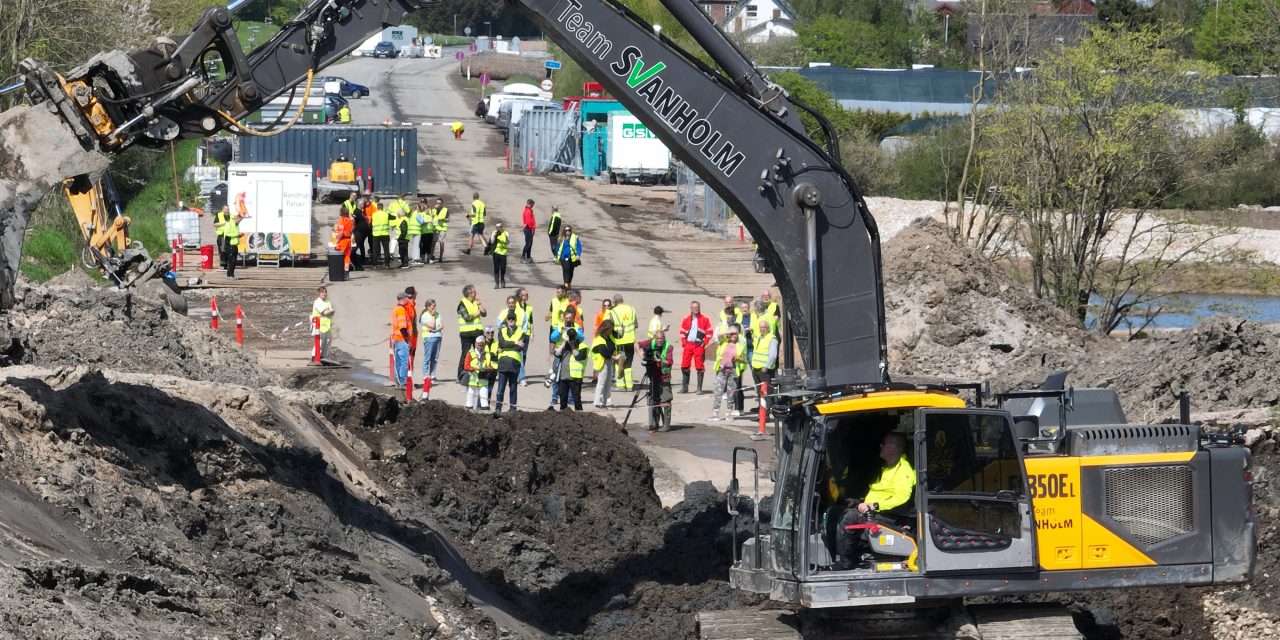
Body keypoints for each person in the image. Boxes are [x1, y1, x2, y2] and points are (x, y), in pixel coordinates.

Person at [832, 433, 914, 570]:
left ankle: (845, 564)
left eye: (885, 442)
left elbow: (902, 498)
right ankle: (840, 557)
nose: (881, 445)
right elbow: (881, 494)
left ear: (895, 447)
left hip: (889, 516)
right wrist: (858, 501)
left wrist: (873, 506)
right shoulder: (886, 468)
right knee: (834, 512)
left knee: (849, 517)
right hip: (876, 512)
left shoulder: (903, 469)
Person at [638, 330, 674, 433]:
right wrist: (639, 353)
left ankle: (666, 425)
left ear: (664, 339)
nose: (659, 341)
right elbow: (637, 344)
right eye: (657, 339)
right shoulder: (650, 342)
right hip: (653, 375)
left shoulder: (668, 347)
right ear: (654, 338)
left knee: (666, 399)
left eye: (661, 339)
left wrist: (660, 360)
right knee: (654, 399)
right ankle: (654, 423)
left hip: (664, 376)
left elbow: (670, 362)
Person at [547, 307, 584, 407]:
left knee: (571, 377)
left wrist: (574, 334)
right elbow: (552, 337)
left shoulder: (577, 327)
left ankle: (571, 398)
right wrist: (560, 332)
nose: (568, 319)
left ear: (573, 318)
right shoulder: (559, 326)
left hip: (572, 352)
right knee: (555, 376)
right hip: (560, 352)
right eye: (566, 318)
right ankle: (554, 397)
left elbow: (582, 338)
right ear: (563, 318)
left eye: (570, 318)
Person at [709, 325, 746, 420]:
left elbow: (743, 359)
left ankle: (729, 414)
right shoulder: (723, 342)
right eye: (733, 334)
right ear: (729, 335)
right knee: (718, 391)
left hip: (733, 371)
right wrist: (729, 331)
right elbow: (718, 335)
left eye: (736, 334)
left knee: (731, 393)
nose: (735, 336)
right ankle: (715, 413)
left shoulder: (739, 346)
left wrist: (738, 359)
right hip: (722, 370)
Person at [678, 301, 713, 394]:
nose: (696, 309)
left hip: (699, 346)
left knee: (699, 366)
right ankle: (685, 388)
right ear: (691, 308)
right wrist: (684, 342)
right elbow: (682, 331)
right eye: (694, 307)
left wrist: (704, 342)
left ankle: (699, 389)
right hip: (688, 345)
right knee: (684, 365)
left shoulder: (705, 319)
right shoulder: (686, 318)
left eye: (697, 307)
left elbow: (710, 332)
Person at [494, 312, 526, 412]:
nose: (511, 320)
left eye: (513, 318)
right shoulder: (502, 330)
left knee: (513, 388)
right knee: (501, 388)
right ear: (507, 320)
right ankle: (498, 409)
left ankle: (513, 409)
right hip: (503, 362)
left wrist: (507, 345)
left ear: (515, 320)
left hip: (514, 363)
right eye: (509, 318)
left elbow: (519, 348)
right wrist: (515, 342)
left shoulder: (521, 332)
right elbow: (502, 344)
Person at [456, 284, 487, 380]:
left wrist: (479, 304)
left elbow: (484, 313)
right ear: (469, 294)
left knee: (481, 352)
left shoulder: (475, 302)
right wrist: (476, 314)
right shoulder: (462, 304)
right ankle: (461, 374)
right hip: (467, 334)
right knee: (466, 353)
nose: (476, 293)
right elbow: (467, 318)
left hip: (477, 332)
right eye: (474, 292)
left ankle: (481, 372)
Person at [608, 294, 638, 392]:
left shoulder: (613, 312)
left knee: (619, 363)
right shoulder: (632, 309)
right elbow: (636, 325)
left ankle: (620, 385)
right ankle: (629, 386)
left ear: (614, 302)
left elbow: (609, 326)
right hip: (630, 340)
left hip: (619, 341)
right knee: (628, 364)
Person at [591, 319, 621, 409]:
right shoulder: (599, 339)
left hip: (608, 361)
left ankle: (607, 401)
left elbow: (619, 335)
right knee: (601, 382)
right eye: (610, 329)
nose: (611, 331)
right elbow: (604, 353)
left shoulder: (610, 335)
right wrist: (615, 357)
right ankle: (597, 401)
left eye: (612, 329)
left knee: (608, 382)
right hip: (602, 362)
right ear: (605, 329)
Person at [751, 317, 779, 411]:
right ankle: (761, 412)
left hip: (764, 370)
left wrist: (766, 366)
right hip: (756, 368)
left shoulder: (772, 338)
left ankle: (765, 415)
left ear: (768, 327)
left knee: (766, 392)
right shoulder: (759, 337)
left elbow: (773, 355)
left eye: (764, 327)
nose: (762, 329)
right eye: (761, 327)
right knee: (759, 392)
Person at [463, 335, 492, 410]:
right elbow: (466, 366)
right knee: (469, 401)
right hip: (472, 380)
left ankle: (486, 416)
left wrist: (488, 368)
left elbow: (491, 367)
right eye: (479, 345)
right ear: (475, 344)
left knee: (484, 401)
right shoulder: (471, 353)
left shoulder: (487, 354)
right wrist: (473, 368)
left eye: (482, 345)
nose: (480, 347)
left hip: (483, 381)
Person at [390, 292, 412, 389]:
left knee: (398, 361)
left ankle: (397, 381)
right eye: (407, 298)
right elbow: (403, 327)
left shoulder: (396, 309)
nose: (408, 299)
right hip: (402, 339)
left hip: (396, 338)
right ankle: (402, 382)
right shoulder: (401, 310)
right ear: (403, 299)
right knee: (403, 362)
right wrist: (407, 339)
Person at [514, 288, 534, 387]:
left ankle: (518, 374)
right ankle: (522, 378)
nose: (527, 295)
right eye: (526, 294)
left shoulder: (529, 307)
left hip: (527, 333)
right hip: (518, 333)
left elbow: (531, 320)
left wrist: (532, 333)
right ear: (520, 296)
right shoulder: (515, 306)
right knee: (520, 355)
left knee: (524, 355)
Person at [420, 298, 443, 382]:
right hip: (429, 338)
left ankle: (432, 375)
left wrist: (436, 329)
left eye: (435, 306)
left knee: (435, 358)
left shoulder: (438, 314)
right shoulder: (424, 316)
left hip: (438, 337)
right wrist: (433, 316)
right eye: (433, 306)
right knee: (427, 358)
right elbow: (432, 326)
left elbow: (442, 325)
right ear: (428, 307)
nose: (434, 308)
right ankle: (425, 376)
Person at [311, 286, 334, 361]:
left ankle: (323, 357)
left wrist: (329, 312)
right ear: (319, 293)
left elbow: (331, 312)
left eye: (325, 292)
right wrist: (328, 312)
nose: (324, 293)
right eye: (322, 292)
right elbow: (325, 312)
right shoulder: (317, 302)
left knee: (327, 342)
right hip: (319, 326)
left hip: (327, 326)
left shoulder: (328, 301)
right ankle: (315, 357)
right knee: (320, 342)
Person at [224, 205, 244, 279]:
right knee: (231, 261)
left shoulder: (236, 225)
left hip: (235, 245)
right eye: (239, 220)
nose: (239, 222)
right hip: (230, 245)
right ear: (236, 218)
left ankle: (230, 274)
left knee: (234, 261)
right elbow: (227, 234)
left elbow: (235, 234)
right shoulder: (229, 224)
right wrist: (236, 234)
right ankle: (230, 275)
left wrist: (239, 236)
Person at [350, 195, 370, 270]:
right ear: (358, 205)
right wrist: (352, 230)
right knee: (354, 249)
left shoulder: (360, 211)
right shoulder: (357, 211)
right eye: (362, 204)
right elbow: (353, 220)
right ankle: (356, 264)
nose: (363, 205)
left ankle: (359, 262)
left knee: (357, 247)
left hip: (361, 234)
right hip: (357, 234)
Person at [370, 196, 390, 269]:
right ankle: (387, 264)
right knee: (386, 250)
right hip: (385, 234)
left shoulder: (374, 215)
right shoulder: (386, 214)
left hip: (376, 235)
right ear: (382, 208)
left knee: (375, 250)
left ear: (377, 208)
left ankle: (375, 265)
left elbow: (371, 224)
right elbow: (393, 218)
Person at [333, 205, 354, 272]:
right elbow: (351, 230)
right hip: (349, 240)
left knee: (340, 256)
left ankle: (339, 271)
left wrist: (337, 241)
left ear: (341, 213)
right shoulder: (350, 221)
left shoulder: (342, 220)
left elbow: (341, 233)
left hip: (343, 241)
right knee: (347, 257)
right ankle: (346, 271)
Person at [489, 222, 510, 288]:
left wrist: (505, 237)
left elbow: (508, 242)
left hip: (503, 253)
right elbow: (492, 242)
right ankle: (497, 283)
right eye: (497, 227)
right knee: (496, 268)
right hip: (496, 253)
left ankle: (502, 280)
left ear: (502, 226)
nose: (499, 228)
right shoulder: (494, 232)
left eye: (500, 226)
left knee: (503, 268)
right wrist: (494, 236)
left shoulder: (506, 233)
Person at [392, 198, 411, 269]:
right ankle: (403, 263)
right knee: (402, 251)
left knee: (403, 251)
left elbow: (404, 230)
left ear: (400, 214)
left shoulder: (403, 220)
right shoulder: (403, 219)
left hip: (403, 238)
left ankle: (405, 264)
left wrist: (400, 237)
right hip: (403, 238)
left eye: (397, 213)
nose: (397, 215)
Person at [405, 198, 424, 264]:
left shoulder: (412, 215)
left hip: (411, 231)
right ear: (418, 209)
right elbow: (421, 222)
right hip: (417, 231)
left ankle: (413, 258)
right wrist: (423, 218)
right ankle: (416, 259)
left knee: (413, 245)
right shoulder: (417, 215)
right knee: (417, 245)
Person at [430, 197, 449, 263]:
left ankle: (440, 257)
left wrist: (443, 219)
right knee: (433, 243)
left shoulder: (445, 209)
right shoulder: (433, 209)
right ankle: (431, 257)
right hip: (435, 228)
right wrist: (434, 209)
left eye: (439, 203)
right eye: (437, 203)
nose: (438, 204)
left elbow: (448, 219)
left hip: (442, 229)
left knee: (441, 243)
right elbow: (431, 217)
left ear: (442, 203)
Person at [415, 200, 434, 265]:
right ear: (425, 209)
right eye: (428, 209)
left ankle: (428, 259)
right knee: (424, 246)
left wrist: (433, 223)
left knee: (429, 246)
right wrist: (428, 222)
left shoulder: (429, 215)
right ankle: (423, 259)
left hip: (430, 232)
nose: (429, 210)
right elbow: (421, 223)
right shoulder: (421, 214)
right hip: (424, 233)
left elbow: (432, 223)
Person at [520, 199, 536, 263]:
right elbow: (529, 221)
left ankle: (528, 257)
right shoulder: (528, 211)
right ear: (530, 204)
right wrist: (532, 229)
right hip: (528, 228)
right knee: (528, 243)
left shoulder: (529, 210)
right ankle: (523, 257)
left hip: (528, 228)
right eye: (532, 204)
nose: (533, 206)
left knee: (530, 243)